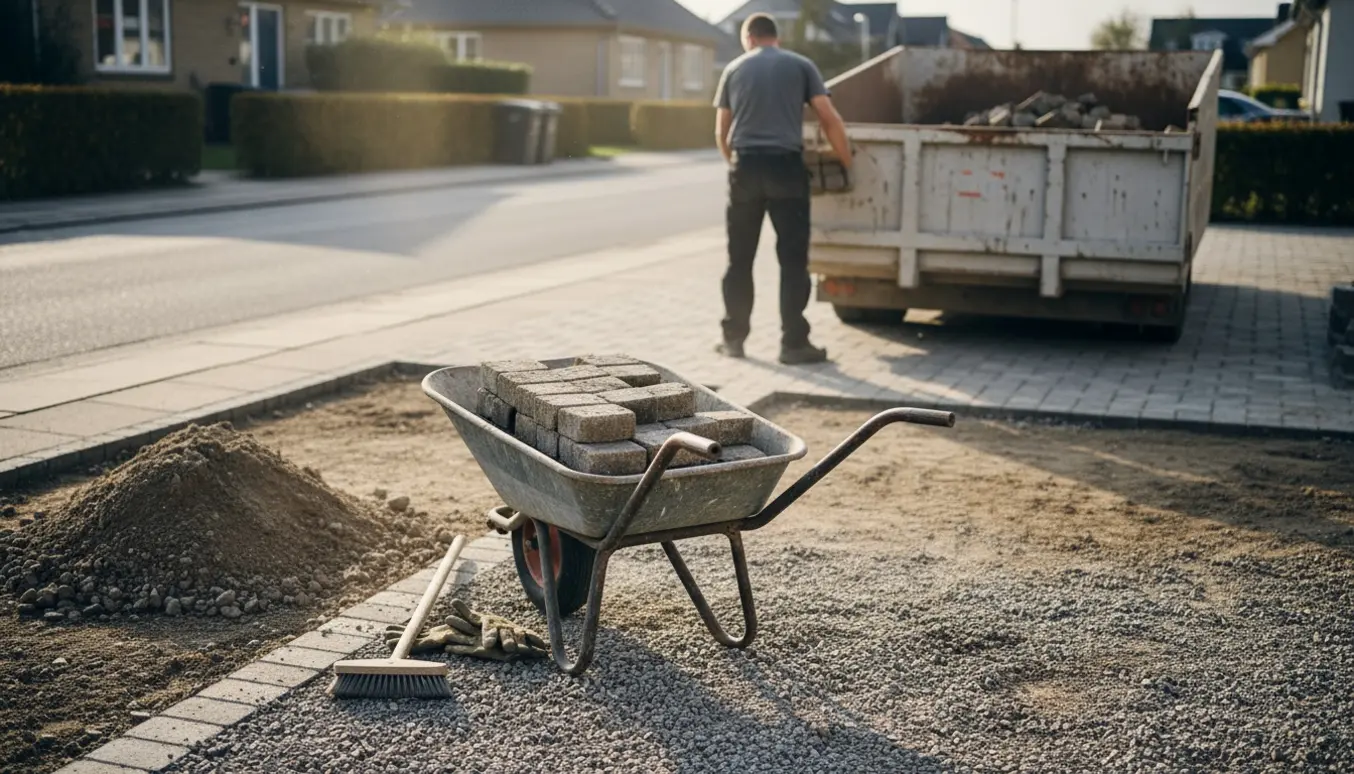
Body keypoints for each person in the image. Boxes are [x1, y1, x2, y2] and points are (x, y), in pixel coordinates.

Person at [711, 12, 853, 365]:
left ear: (749, 38)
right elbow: (828, 116)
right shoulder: (801, 65)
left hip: (746, 166)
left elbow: (721, 132)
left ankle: (733, 340)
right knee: (792, 261)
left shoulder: (734, 69)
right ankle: (793, 345)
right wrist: (846, 160)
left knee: (739, 259)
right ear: (776, 37)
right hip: (787, 168)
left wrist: (736, 163)